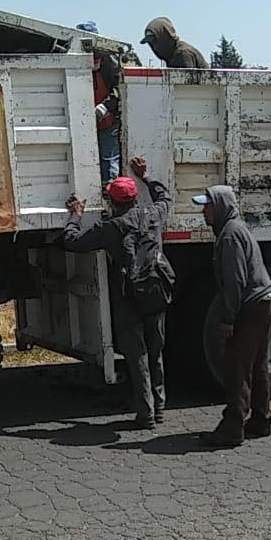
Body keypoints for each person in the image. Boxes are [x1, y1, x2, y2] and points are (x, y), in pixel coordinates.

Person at [63, 158, 173, 430]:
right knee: (156, 350)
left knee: (137, 355)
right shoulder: (153, 215)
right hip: (157, 291)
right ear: (135, 198)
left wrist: (76, 215)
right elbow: (165, 197)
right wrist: (146, 176)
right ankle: (159, 409)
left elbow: (72, 242)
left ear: (113, 203)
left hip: (129, 297)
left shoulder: (111, 227)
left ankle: (145, 413)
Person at [192, 186, 271, 448]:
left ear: (219, 207)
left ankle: (232, 426)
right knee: (257, 363)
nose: (203, 211)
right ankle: (261, 418)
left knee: (237, 365)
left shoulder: (229, 236)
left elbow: (234, 280)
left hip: (251, 304)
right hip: (264, 300)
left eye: (207, 206)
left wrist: (229, 317)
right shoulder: (236, 229)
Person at [77, 22, 122, 185]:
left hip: (107, 121)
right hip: (82, 122)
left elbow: (119, 87)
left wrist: (106, 106)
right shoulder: (74, 58)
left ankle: (111, 196)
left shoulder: (108, 59)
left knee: (109, 162)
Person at [141, 18, 208, 69]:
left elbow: (184, 86)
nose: (154, 48)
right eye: (151, 44)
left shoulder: (182, 54)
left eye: (155, 42)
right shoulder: (173, 54)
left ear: (165, 38)